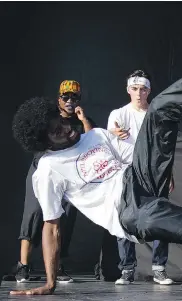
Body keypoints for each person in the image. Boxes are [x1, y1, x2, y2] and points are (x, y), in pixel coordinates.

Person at [10, 28, 182, 295]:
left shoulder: (96, 136)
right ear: (45, 144)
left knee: (158, 110)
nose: (66, 130)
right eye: (57, 133)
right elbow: (51, 227)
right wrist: (50, 282)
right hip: (125, 210)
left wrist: (161, 164)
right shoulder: (47, 170)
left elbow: (134, 154)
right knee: (150, 220)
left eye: (62, 124)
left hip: (136, 176)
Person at [12, 80, 95, 284]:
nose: (69, 100)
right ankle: (23, 266)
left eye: (74, 97)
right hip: (42, 168)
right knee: (33, 214)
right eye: (65, 97)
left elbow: (92, 142)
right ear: (58, 99)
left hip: (66, 176)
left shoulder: (80, 121)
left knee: (63, 220)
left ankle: (57, 267)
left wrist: (83, 120)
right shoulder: (48, 117)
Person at [107, 69, 173, 285]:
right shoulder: (118, 114)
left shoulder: (156, 115)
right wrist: (113, 133)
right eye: (134, 89)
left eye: (143, 89)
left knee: (160, 219)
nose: (138, 93)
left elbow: (164, 148)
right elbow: (107, 140)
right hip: (125, 173)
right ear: (128, 90)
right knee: (124, 221)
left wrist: (168, 173)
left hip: (154, 172)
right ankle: (127, 269)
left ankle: (159, 268)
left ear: (149, 91)